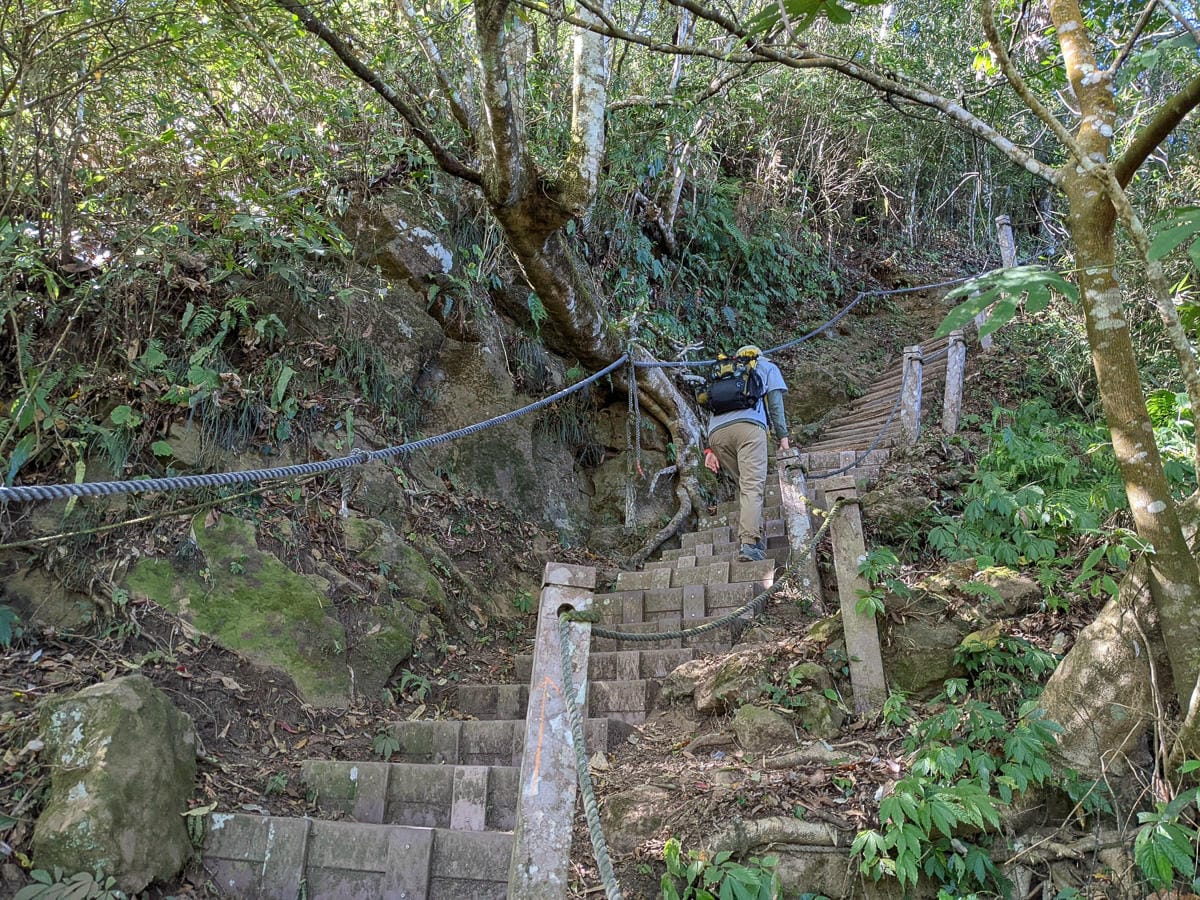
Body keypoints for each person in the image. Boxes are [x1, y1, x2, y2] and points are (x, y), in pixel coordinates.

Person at [702, 346, 790, 561]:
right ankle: (749, 544)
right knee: (752, 487)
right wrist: (784, 438)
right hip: (749, 429)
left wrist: (710, 449)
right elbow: (775, 404)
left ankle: (754, 536)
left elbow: (713, 406)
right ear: (759, 356)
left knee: (745, 485)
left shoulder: (723, 372)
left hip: (716, 435)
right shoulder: (767, 367)